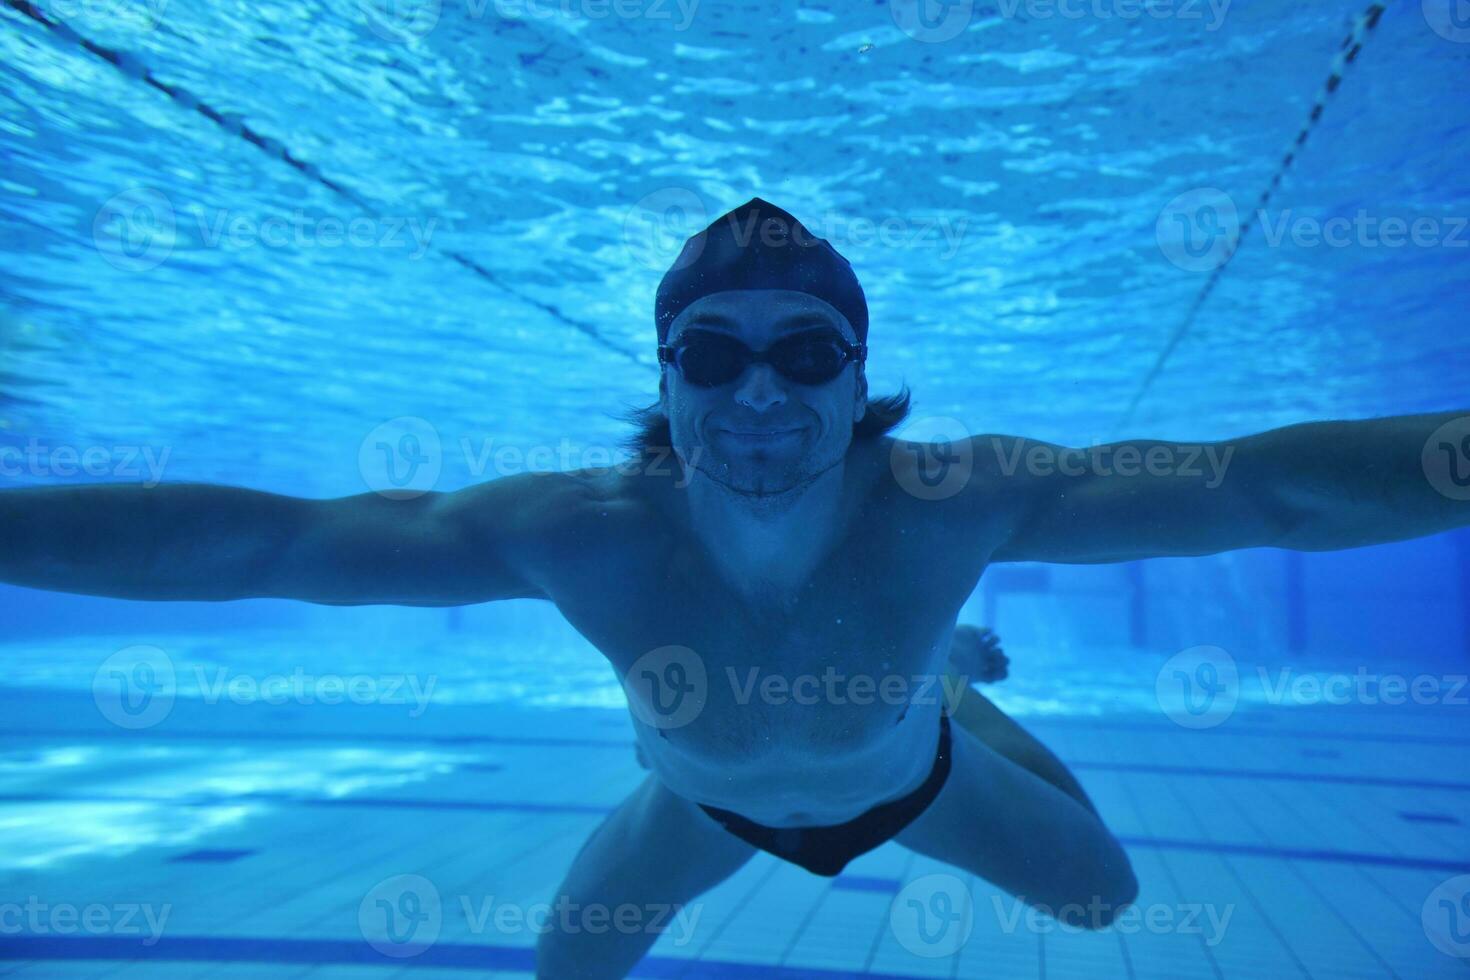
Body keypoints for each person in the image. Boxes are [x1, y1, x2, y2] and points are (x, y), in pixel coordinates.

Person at [2, 198, 1466, 979]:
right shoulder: (576, 529)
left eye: (804, 354)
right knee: (565, 978)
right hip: (697, 803)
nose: (757, 393)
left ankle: (943, 690)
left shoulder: (957, 503)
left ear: (857, 377)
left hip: (919, 779)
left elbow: (1255, 489)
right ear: (663, 374)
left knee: (1102, 900)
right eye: (712, 353)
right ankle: (936, 677)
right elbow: (261, 543)